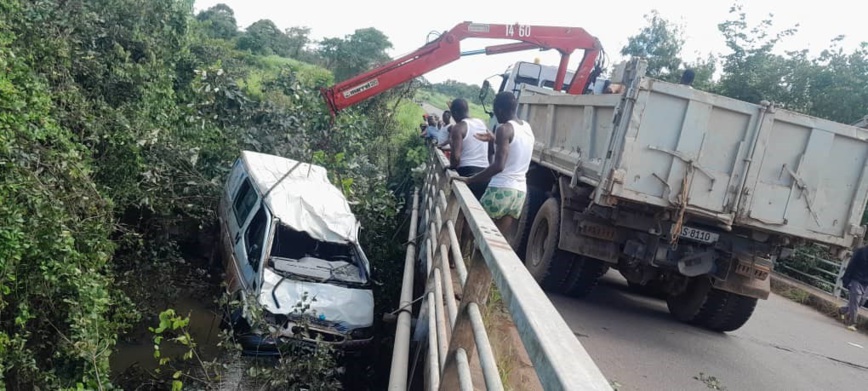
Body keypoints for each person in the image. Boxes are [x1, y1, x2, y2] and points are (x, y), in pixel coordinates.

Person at [457, 91, 534, 239]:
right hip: (518, 194)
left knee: (472, 228)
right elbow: (515, 149)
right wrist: (494, 139)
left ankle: (459, 259)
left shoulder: (504, 129)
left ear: (499, 110)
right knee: (494, 239)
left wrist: (470, 179)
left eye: (495, 111)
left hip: (501, 189)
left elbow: (499, 166)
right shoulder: (526, 127)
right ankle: (476, 261)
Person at [445, 99, 490, 200]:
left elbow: (456, 158)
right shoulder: (481, 123)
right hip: (485, 173)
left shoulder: (458, 127)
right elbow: (490, 145)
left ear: (455, 113)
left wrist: (451, 166)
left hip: (468, 171)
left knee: (459, 210)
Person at [839, 246, 868, 330]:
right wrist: (846, 279)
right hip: (856, 279)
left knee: (861, 301)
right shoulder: (861, 251)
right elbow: (851, 265)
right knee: (855, 301)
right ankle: (852, 323)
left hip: (866, 282)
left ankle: (842, 310)